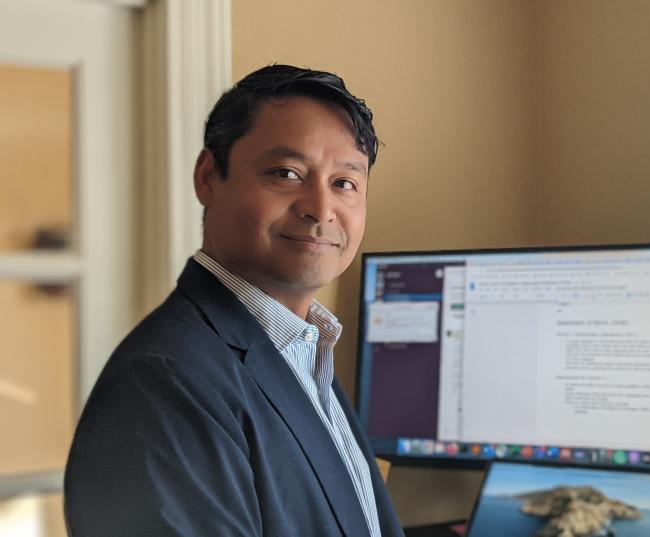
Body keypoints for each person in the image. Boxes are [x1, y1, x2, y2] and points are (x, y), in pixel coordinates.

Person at [64, 64, 403, 537]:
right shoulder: (164, 383)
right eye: (286, 173)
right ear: (208, 177)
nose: (321, 208)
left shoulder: (304, 348)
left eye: (344, 183)